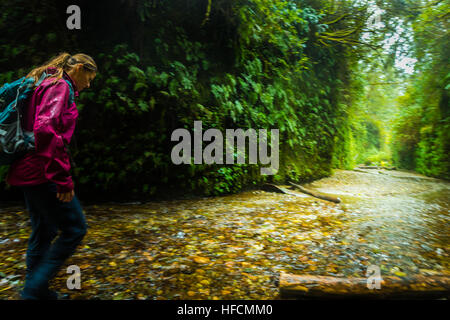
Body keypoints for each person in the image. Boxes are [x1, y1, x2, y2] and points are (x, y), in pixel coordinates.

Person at [6, 52, 97, 299]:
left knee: (44, 230)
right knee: (75, 229)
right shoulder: (60, 86)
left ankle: (38, 292)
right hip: (41, 171)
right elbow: (46, 129)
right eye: (89, 77)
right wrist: (62, 180)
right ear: (79, 67)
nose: (88, 84)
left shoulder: (44, 82)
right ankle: (33, 292)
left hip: (25, 169)